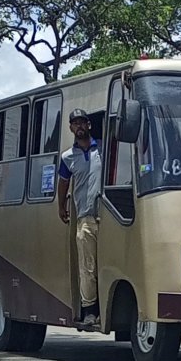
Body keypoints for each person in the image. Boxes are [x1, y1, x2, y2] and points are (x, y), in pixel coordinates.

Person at [57, 108, 102, 327]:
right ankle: (90, 311)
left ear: (89, 125)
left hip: (109, 215)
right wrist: (61, 206)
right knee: (88, 267)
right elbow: (63, 183)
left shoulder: (103, 148)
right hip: (85, 218)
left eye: (83, 122)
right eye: (75, 123)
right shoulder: (67, 157)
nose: (79, 126)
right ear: (71, 128)